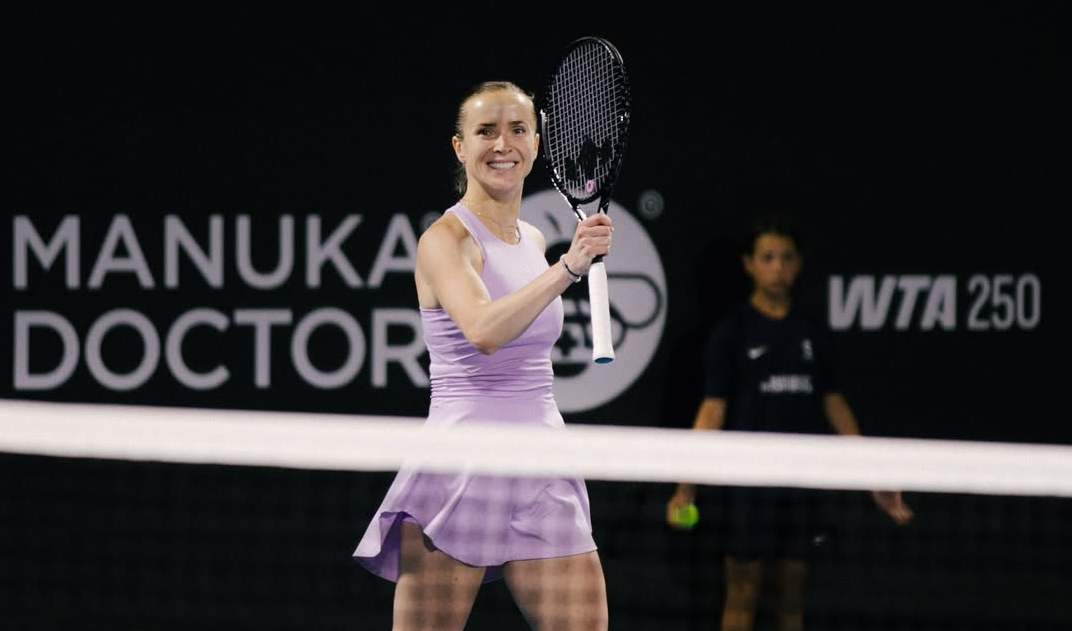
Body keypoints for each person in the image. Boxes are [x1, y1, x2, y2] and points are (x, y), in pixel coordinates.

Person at [353, 80, 613, 631]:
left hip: (541, 459)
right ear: (459, 147)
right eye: (485, 131)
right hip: (462, 465)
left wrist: (559, 262)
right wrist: (568, 269)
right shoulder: (444, 241)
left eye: (517, 129)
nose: (503, 144)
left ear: (538, 144)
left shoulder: (534, 239)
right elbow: (483, 330)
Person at [665, 213, 914, 631]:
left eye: (786, 257)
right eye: (767, 258)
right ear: (749, 264)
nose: (777, 267)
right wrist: (685, 488)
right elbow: (712, 410)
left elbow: (835, 404)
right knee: (741, 596)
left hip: (801, 486)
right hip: (747, 488)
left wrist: (875, 476)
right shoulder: (732, 332)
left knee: (792, 601)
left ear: (798, 264)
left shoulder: (812, 330)